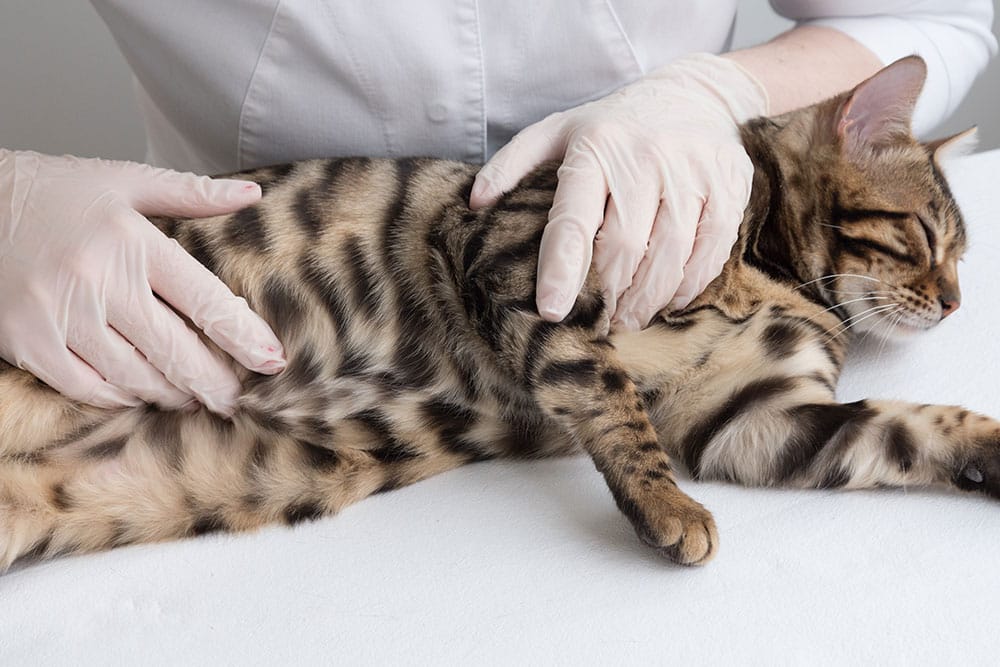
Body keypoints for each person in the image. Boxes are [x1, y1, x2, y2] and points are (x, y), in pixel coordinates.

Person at [1, 1, 995, 417]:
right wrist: (7, 205)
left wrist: (717, 91)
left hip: (663, 327)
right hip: (216, 333)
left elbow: (928, 12)